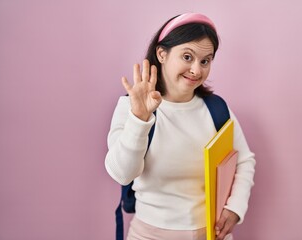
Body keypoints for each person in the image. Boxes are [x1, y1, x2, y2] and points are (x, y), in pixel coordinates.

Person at [105, 13, 256, 240]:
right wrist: (140, 119)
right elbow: (122, 174)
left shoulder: (216, 110)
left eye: (205, 61)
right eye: (187, 57)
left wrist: (235, 207)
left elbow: (244, 160)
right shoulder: (131, 107)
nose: (197, 70)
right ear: (161, 54)